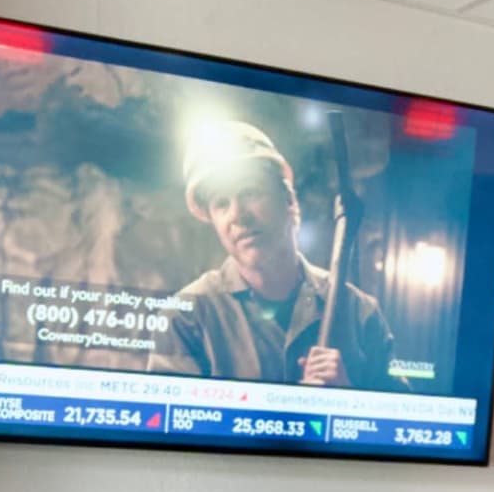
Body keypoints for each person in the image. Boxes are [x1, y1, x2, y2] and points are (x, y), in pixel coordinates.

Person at [157, 120, 398, 390]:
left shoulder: (359, 313)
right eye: (221, 204)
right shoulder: (188, 317)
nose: (238, 215)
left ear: (289, 200)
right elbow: (164, 427)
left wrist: (346, 398)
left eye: (250, 192)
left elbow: (401, 427)